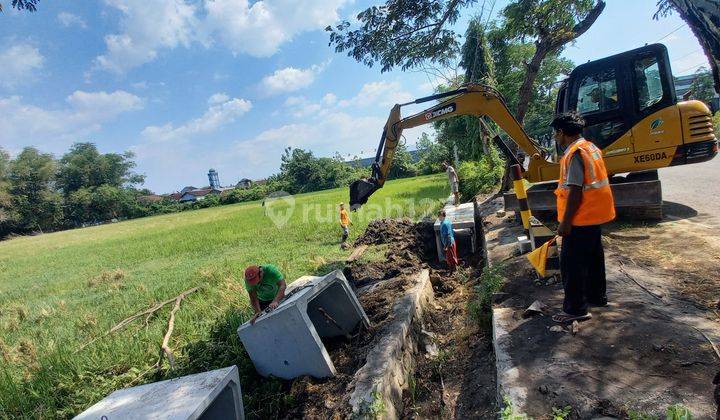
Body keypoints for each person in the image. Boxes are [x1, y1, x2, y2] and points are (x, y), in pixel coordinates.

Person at [551, 112, 616, 324]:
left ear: (561, 132)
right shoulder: (591, 148)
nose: (555, 138)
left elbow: (575, 191)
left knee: (572, 266)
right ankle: (597, 297)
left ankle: (576, 309)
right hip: (594, 216)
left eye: (555, 133)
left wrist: (565, 222)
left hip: (579, 218)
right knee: (594, 260)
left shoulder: (575, 154)